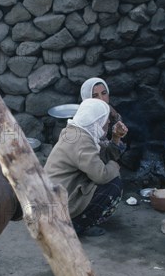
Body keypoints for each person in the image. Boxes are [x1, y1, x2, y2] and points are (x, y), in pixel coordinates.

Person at [45, 99, 123, 236]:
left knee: (110, 176)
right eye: (105, 119)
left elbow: (99, 159)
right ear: (96, 120)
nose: (109, 122)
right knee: (113, 185)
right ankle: (75, 226)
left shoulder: (76, 132)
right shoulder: (81, 141)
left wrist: (116, 138)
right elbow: (101, 175)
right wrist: (114, 166)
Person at [80, 77, 128, 163]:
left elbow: (118, 125)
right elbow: (105, 153)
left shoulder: (107, 109)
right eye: (95, 96)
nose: (101, 99)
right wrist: (116, 140)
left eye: (104, 93)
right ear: (88, 99)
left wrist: (115, 116)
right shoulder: (89, 120)